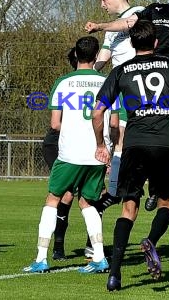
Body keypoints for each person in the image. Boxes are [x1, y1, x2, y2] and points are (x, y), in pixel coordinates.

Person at [92, 20, 169, 291]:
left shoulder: (120, 70)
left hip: (134, 145)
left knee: (129, 207)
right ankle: (151, 240)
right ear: (155, 43)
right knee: (166, 204)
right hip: (164, 144)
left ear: (131, 43)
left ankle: (114, 275)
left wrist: (99, 143)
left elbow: (97, 111)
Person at [86, 0, 169, 211]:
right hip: (143, 76)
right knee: (134, 131)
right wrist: (100, 26)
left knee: (160, 128)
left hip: (166, 77)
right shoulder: (155, 9)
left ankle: (152, 186)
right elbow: (129, 23)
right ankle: (134, 185)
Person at [23, 36, 112, 273]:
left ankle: (41, 258)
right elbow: (113, 121)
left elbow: (55, 124)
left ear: (76, 55)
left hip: (70, 153)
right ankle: (100, 257)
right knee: (87, 202)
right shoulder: (108, 82)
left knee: (53, 199)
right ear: (96, 57)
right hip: (97, 154)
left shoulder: (62, 82)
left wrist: (74, 129)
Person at [92, 0, 145, 212]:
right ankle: (114, 185)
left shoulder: (139, 12)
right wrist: (87, 72)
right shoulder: (110, 30)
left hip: (134, 85)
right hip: (118, 87)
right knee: (113, 133)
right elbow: (104, 56)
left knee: (122, 133)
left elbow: (127, 23)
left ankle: (116, 189)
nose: (102, 4)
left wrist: (100, 25)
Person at [41, 47, 78, 261]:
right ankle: (56, 246)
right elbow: (55, 124)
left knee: (89, 196)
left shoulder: (99, 83)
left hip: (80, 145)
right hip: (58, 144)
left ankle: (94, 246)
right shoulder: (64, 83)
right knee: (66, 193)